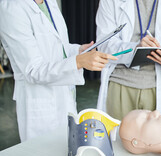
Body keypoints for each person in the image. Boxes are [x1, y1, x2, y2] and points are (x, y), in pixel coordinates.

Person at [0, 0, 117, 142]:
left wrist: (78, 51)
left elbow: (57, 47)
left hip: (64, 96)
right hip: (38, 102)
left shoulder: (48, 3)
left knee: (67, 153)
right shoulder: (12, 8)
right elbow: (33, 70)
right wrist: (79, 61)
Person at [96, 0, 161, 121]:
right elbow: (104, 45)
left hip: (157, 86)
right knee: (116, 138)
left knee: (155, 139)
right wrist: (134, 48)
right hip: (121, 83)